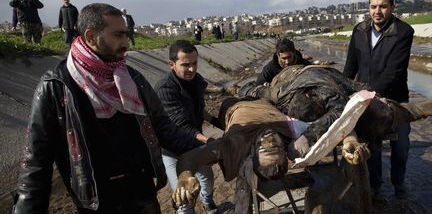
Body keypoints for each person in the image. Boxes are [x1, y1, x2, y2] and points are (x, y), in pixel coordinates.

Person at [12, 3, 202, 214]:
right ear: (91, 36)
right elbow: (36, 163)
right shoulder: (57, 86)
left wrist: (209, 148)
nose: (126, 42)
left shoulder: (132, 79)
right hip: (96, 204)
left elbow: (165, 129)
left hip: (143, 196)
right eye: (118, 35)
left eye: (126, 35)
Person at [171, 97, 371, 214]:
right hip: (266, 100)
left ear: (253, 153)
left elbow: (188, 158)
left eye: (265, 149)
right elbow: (338, 128)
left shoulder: (234, 144)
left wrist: (184, 177)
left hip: (233, 106)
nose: (268, 140)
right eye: (274, 147)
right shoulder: (294, 134)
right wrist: (349, 141)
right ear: (285, 150)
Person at [239, 64, 432, 158]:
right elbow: (257, 90)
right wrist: (241, 90)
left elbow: (340, 110)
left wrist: (308, 137)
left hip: (321, 81)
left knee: (391, 115)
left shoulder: (340, 100)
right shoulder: (281, 93)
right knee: (400, 112)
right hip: (302, 78)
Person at [343, 0, 415, 200]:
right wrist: (345, 92)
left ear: (392, 7)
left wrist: (369, 95)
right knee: (371, 146)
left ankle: (398, 183)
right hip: (366, 100)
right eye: (373, 6)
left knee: (400, 146)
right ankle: (375, 186)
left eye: (383, 6)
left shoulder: (403, 32)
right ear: (369, 8)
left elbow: (394, 71)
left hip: (395, 99)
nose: (377, 11)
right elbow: (350, 67)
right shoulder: (359, 31)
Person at [154, 40, 219, 213]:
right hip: (172, 150)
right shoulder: (165, 89)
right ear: (171, 64)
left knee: (207, 178)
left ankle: (207, 201)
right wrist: (209, 141)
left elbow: (200, 110)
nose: (191, 69)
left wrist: (219, 123)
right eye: (185, 65)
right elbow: (183, 126)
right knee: (184, 197)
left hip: (194, 145)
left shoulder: (196, 80)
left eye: (194, 63)